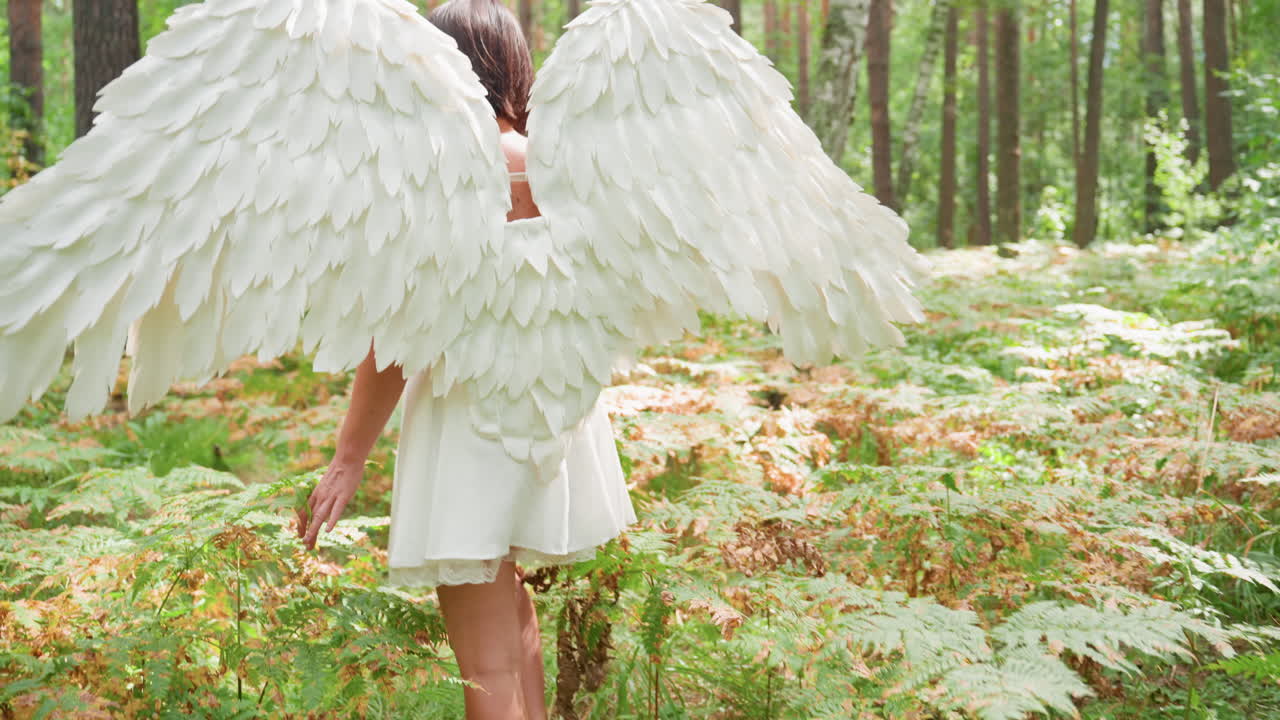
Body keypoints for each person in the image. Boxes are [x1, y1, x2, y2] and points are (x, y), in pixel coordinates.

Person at [293, 1, 636, 717]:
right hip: (553, 415)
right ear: (513, 65)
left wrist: (349, 456)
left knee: (485, 667)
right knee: (514, 627)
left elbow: (397, 335)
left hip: (470, 419)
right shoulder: (564, 167)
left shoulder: (445, 175)